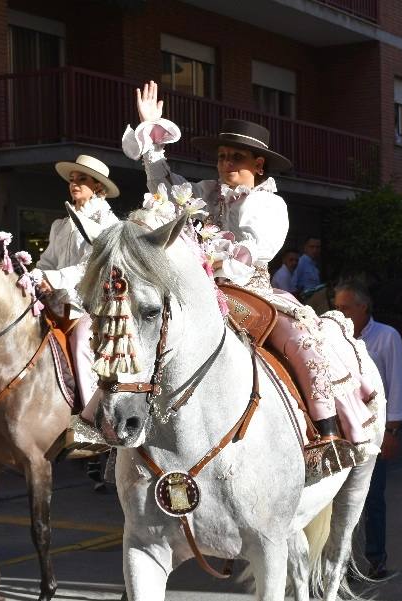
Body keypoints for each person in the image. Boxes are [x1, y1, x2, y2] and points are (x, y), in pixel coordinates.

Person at [119, 80, 378, 471]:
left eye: (236, 157)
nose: (226, 164)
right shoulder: (206, 192)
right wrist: (152, 140)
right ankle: (119, 428)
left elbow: (252, 251)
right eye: (222, 156)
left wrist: (204, 254)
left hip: (248, 292)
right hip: (199, 291)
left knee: (301, 339)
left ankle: (325, 435)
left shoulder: (268, 204)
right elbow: (168, 191)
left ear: (259, 165)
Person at [36, 154, 120, 459]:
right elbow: (47, 260)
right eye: (72, 179)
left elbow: (90, 268)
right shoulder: (60, 225)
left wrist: (53, 278)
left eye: (81, 179)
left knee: (82, 339)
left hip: (94, 305)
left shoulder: (109, 224)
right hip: (59, 300)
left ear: (98, 187)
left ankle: (94, 422)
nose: (74, 184)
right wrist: (34, 276)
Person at [334, 281, 402, 579]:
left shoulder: (387, 336)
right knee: (340, 500)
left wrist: (392, 431)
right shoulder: (334, 337)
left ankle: (376, 559)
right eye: (336, 307)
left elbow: (397, 383)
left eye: (345, 308)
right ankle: (342, 564)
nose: (339, 313)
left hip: (374, 431)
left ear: (363, 307)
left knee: (372, 497)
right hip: (341, 431)